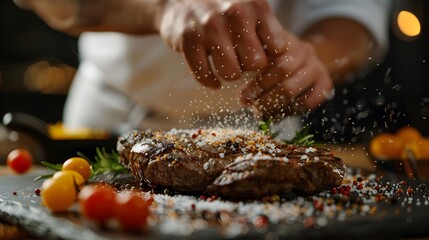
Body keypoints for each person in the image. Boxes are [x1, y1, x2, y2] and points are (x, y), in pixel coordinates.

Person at [14, 0, 391, 137]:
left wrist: (314, 57)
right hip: (112, 122)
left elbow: (356, 15)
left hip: (265, 138)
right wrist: (160, 7)